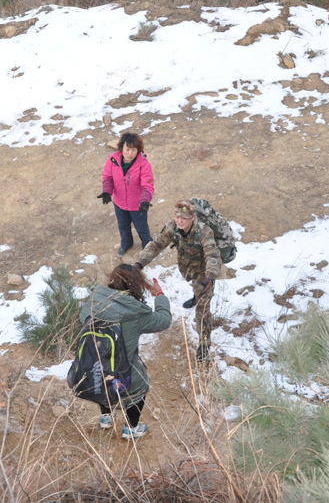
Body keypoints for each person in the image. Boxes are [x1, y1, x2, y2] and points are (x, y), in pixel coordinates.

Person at [79, 264, 171, 439]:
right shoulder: (135, 313)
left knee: (102, 374)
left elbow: (81, 318)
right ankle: (131, 428)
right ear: (136, 285)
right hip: (122, 372)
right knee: (139, 385)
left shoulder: (93, 301)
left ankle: (106, 416)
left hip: (92, 365)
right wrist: (159, 295)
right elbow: (164, 321)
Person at [135, 200, 221, 362]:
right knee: (198, 294)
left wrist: (210, 276)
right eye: (177, 216)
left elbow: (212, 254)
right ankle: (196, 297)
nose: (180, 220)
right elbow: (156, 245)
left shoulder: (203, 231)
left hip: (204, 274)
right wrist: (139, 264)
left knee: (203, 308)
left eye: (184, 217)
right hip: (188, 268)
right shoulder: (172, 227)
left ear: (193, 217)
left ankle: (204, 343)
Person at [97, 133, 154, 258]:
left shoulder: (144, 165)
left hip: (137, 205)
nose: (130, 153)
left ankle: (148, 247)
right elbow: (107, 177)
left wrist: (145, 200)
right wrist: (107, 191)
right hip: (120, 203)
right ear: (121, 148)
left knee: (142, 228)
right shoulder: (113, 160)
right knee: (123, 226)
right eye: (127, 149)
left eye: (134, 149)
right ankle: (126, 244)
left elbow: (147, 185)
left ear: (138, 150)